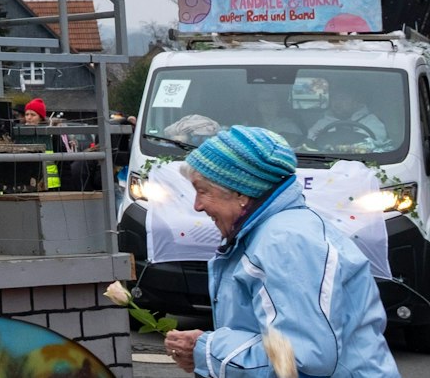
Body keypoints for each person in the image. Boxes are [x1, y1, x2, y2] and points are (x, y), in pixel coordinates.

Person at [163, 125, 400, 377]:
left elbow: (302, 358)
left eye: (203, 191)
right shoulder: (269, 233)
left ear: (241, 192)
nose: (197, 205)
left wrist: (207, 350)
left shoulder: (285, 242)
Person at [306, 79, 387, 147]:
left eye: (343, 98)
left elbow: (375, 145)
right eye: (334, 98)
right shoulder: (322, 123)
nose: (337, 103)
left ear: (356, 101)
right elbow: (310, 143)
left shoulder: (371, 121)